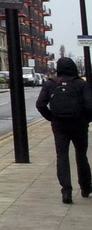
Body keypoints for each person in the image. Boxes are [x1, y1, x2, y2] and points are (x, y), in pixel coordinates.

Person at [35, 57, 92, 204]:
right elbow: (90, 106)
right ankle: (85, 188)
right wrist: (86, 120)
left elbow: (40, 104)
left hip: (59, 124)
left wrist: (52, 118)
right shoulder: (81, 84)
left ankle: (66, 191)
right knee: (81, 155)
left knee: (62, 156)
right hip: (79, 124)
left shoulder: (51, 84)